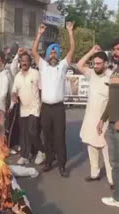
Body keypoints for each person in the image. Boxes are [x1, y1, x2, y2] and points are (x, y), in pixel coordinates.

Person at [32, 22, 75, 177]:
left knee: (59, 137)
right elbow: (34, 51)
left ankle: (62, 165)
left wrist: (70, 32)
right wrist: (39, 34)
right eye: (51, 53)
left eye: (56, 53)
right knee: (47, 136)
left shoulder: (62, 66)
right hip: (46, 108)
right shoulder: (43, 66)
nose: (53, 55)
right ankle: (49, 161)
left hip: (58, 109)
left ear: (58, 55)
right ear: (48, 55)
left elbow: (72, 51)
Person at [77, 46, 113, 187]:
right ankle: (95, 174)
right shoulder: (91, 73)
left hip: (105, 120)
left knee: (107, 151)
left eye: (99, 64)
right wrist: (90, 52)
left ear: (105, 63)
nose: (96, 66)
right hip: (90, 118)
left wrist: (104, 119)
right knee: (91, 147)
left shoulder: (111, 76)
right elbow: (79, 64)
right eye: (94, 63)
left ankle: (112, 180)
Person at [11, 48, 46, 165]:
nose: (24, 63)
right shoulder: (17, 76)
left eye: (26, 60)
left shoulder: (35, 74)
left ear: (30, 62)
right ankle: (25, 155)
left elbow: (41, 89)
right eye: (22, 61)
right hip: (23, 109)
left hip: (35, 107)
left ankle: (41, 151)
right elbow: (14, 91)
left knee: (32, 131)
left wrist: (42, 104)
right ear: (20, 63)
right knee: (24, 133)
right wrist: (14, 96)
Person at [98, 38, 119, 208]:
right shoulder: (115, 71)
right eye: (115, 49)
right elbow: (112, 101)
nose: (116, 52)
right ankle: (118, 196)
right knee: (114, 163)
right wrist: (102, 119)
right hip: (111, 124)